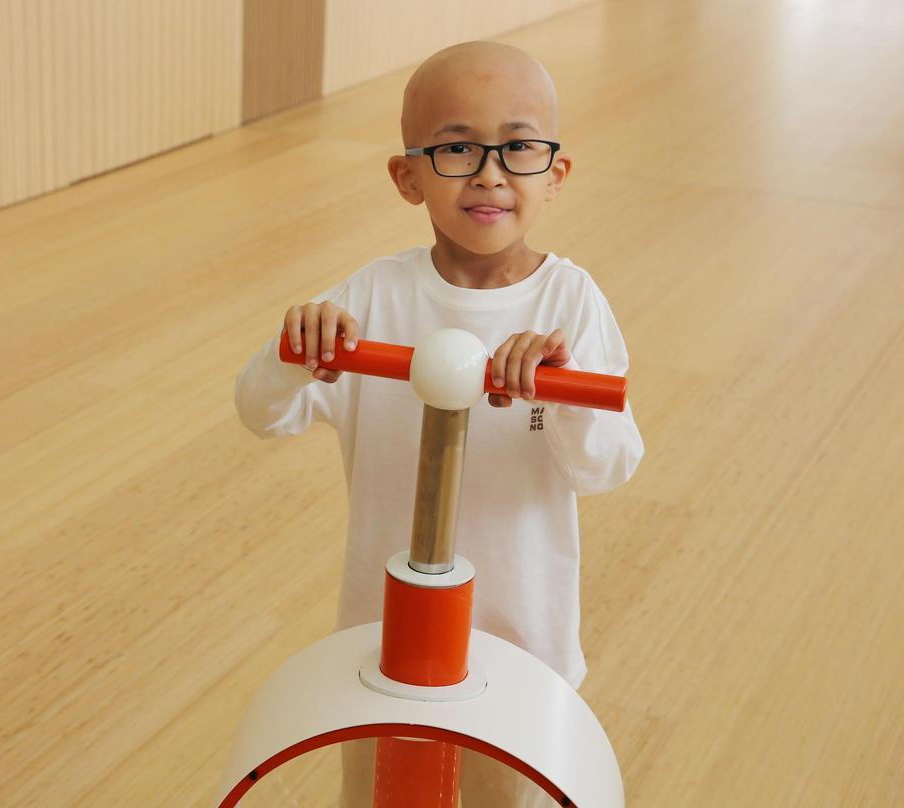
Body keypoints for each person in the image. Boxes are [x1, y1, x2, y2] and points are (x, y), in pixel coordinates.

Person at [234, 39, 644, 808]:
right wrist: (297, 351)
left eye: (518, 147)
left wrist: (552, 393)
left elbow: (610, 464)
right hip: (385, 645)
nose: (490, 172)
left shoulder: (571, 305)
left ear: (554, 174)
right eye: (457, 147)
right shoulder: (373, 298)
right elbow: (264, 413)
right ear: (407, 176)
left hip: (518, 644)